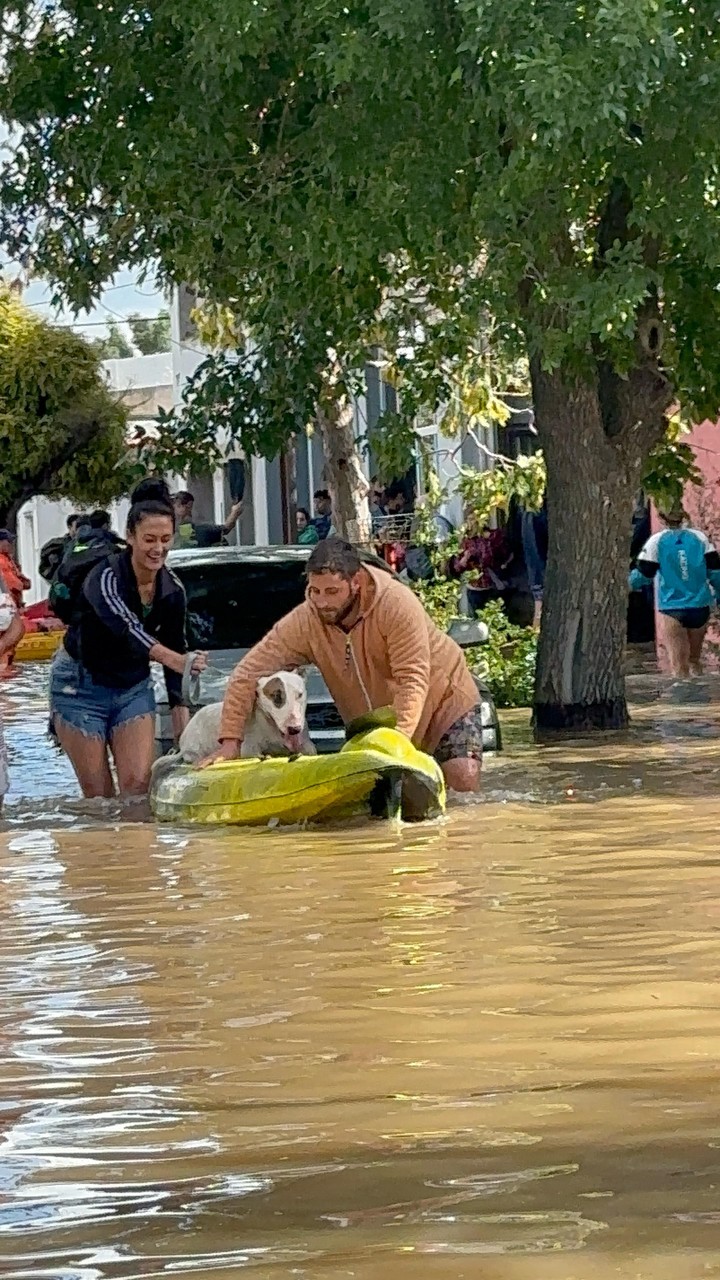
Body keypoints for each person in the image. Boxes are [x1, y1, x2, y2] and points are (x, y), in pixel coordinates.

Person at [205, 537, 483, 792]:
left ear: (357, 581)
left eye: (332, 591)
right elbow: (247, 673)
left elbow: (412, 679)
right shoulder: (305, 621)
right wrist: (230, 744)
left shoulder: (397, 604)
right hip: (374, 724)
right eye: (314, 591)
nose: (321, 602)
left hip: (444, 700)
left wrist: (398, 743)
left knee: (461, 784)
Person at [49, 480, 207, 799]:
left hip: (132, 687)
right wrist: (176, 659)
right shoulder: (104, 577)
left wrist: (183, 731)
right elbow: (127, 628)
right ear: (131, 538)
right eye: (149, 539)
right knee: (100, 798)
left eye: (165, 539)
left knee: (137, 792)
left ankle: (138, 851)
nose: (157, 548)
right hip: (78, 686)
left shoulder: (172, 590)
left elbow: (178, 654)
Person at [630, 505, 720, 678]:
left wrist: (623, 586)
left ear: (662, 519)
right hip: (700, 606)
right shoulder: (700, 538)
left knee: (679, 667)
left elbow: (643, 575)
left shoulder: (656, 541)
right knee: (694, 661)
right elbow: (715, 573)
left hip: (672, 608)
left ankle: (683, 702)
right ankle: (702, 699)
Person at [172, 490, 244, 549]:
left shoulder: (200, 530)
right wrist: (235, 512)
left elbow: (225, 529)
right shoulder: (200, 531)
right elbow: (226, 528)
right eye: (189, 507)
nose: (190, 511)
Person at [39, 513, 85, 584]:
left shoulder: (87, 543)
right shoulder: (57, 545)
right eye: (77, 527)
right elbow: (46, 568)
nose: (80, 530)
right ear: (69, 527)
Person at [0, 530, 31, 608]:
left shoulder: (7, 558)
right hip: (7, 605)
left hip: (15, 603)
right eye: (9, 541)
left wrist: (24, 580)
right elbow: (12, 583)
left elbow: (18, 576)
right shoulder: (1, 560)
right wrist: (21, 583)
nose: (11, 544)